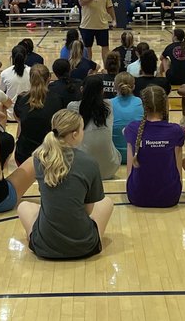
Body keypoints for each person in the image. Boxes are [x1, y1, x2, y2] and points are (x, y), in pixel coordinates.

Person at [16, 109, 113, 260]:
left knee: (24, 207)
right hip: (84, 247)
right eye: (82, 129)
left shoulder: (39, 159)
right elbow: (88, 211)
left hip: (43, 247)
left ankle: (40, 237)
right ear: (75, 134)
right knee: (106, 202)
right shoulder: (89, 162)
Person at [123, 86, 185, 207]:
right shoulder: (175, 130)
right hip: (170, 198)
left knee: (131, 141)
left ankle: (134, 184)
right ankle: (176, 185)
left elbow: (124, 131)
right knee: (178, 144)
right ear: (165, 105)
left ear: (143, 106)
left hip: (137, 197)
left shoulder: (132, 128)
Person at [67, 74, 119, 180]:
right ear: (102, 91)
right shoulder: (109, 105)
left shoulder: (72, 106)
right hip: (110, 169)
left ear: (81, 89)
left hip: (83, 171)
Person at [77, 0, 114, 67]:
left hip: (102, 25)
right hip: (87, 25)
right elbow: (81, 2)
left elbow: (109, 6)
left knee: (105, 47)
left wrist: (114, 19)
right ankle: (88, 68)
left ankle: (106, 68)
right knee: (87, 48)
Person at [111, 72, 142, 164]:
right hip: (136, 155)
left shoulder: (108, 103)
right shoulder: (140, 102)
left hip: (115, 156)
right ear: (134, 87)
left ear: (114, 86)